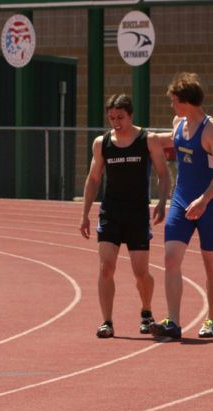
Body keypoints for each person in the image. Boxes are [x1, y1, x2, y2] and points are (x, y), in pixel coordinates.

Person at [80, 94, 170, 338]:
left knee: (140, 272)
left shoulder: (147, 140)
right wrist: (85, 213)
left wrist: (162, 202)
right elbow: (94, 178)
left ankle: (146, 311)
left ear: (131, 115)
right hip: (111, 212)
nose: (116, 122)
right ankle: (107, 321)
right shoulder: (102, 143)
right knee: (106, 267)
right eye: (111, 118)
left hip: (137, 213)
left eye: (120, 117)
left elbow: (164, 174)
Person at [149, 72, 213, 340]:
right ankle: (173, 321)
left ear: (187, 101)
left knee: (210, 264)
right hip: (182, 201)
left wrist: (204, 200)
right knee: (171, 258)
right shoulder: (178, 123)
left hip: (208, 204)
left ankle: (212, 319)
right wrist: (146, 138)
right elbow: (173, 141)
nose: (172, 106)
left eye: (175, 101)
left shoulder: (212, 130)